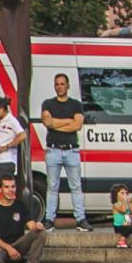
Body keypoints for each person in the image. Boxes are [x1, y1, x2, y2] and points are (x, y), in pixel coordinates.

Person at [41, 73, 91, 231]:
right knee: (52, 187)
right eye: (57, 84)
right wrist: (68, 121)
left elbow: (77, 125)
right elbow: (47, 122)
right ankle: (49, 220)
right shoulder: (48, 103)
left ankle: (81, 219)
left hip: (71, 151)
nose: (59, 87)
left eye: (62, 84)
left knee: (76, 187)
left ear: (68, 86)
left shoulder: (76, 104)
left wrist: (56, 123)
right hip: (53, 150)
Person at [0, 174, 46, 263]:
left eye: (13, 186)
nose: (10, 190)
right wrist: (8, 248)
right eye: (6, 187)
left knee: (41, 232)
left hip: (19, 244)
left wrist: (38, 226)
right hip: (1, 246)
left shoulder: (21, 206)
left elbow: (31, 226)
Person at [0, 96, 26, 205]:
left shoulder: (12, 120)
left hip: (6, 162)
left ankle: (9, 210)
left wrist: (8, 146)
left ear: (1, 108)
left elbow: (22, 135)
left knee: (7, 189)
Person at [110, 184, 132, 249]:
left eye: (126, 193)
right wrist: (123, 201)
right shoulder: (115, 205)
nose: (125, 194)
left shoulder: (127, 205)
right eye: (122, 193)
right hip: (118, 226)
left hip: (126, 226)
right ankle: (121, 241)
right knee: (129, 228)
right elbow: (123, 211)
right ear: (116, 195)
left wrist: (130, 203)